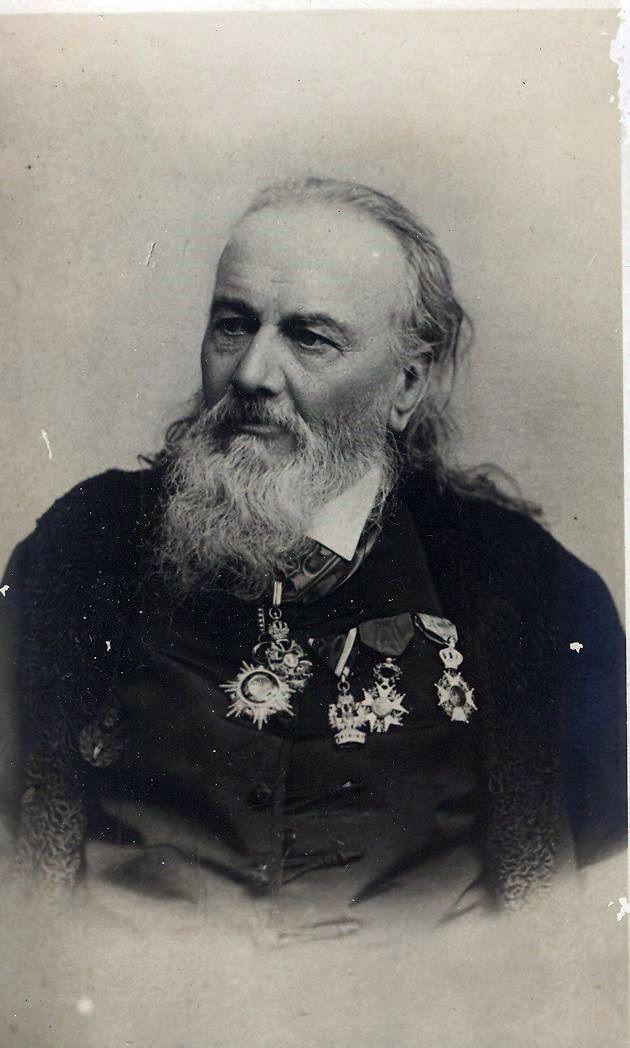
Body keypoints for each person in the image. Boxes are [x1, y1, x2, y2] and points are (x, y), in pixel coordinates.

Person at [0, 176, 625, 931]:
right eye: (233, 326)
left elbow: (586, 911)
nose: (252, 374)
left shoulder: (533, 590)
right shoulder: (79, 550)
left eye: (309, 337)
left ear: (407, 383)